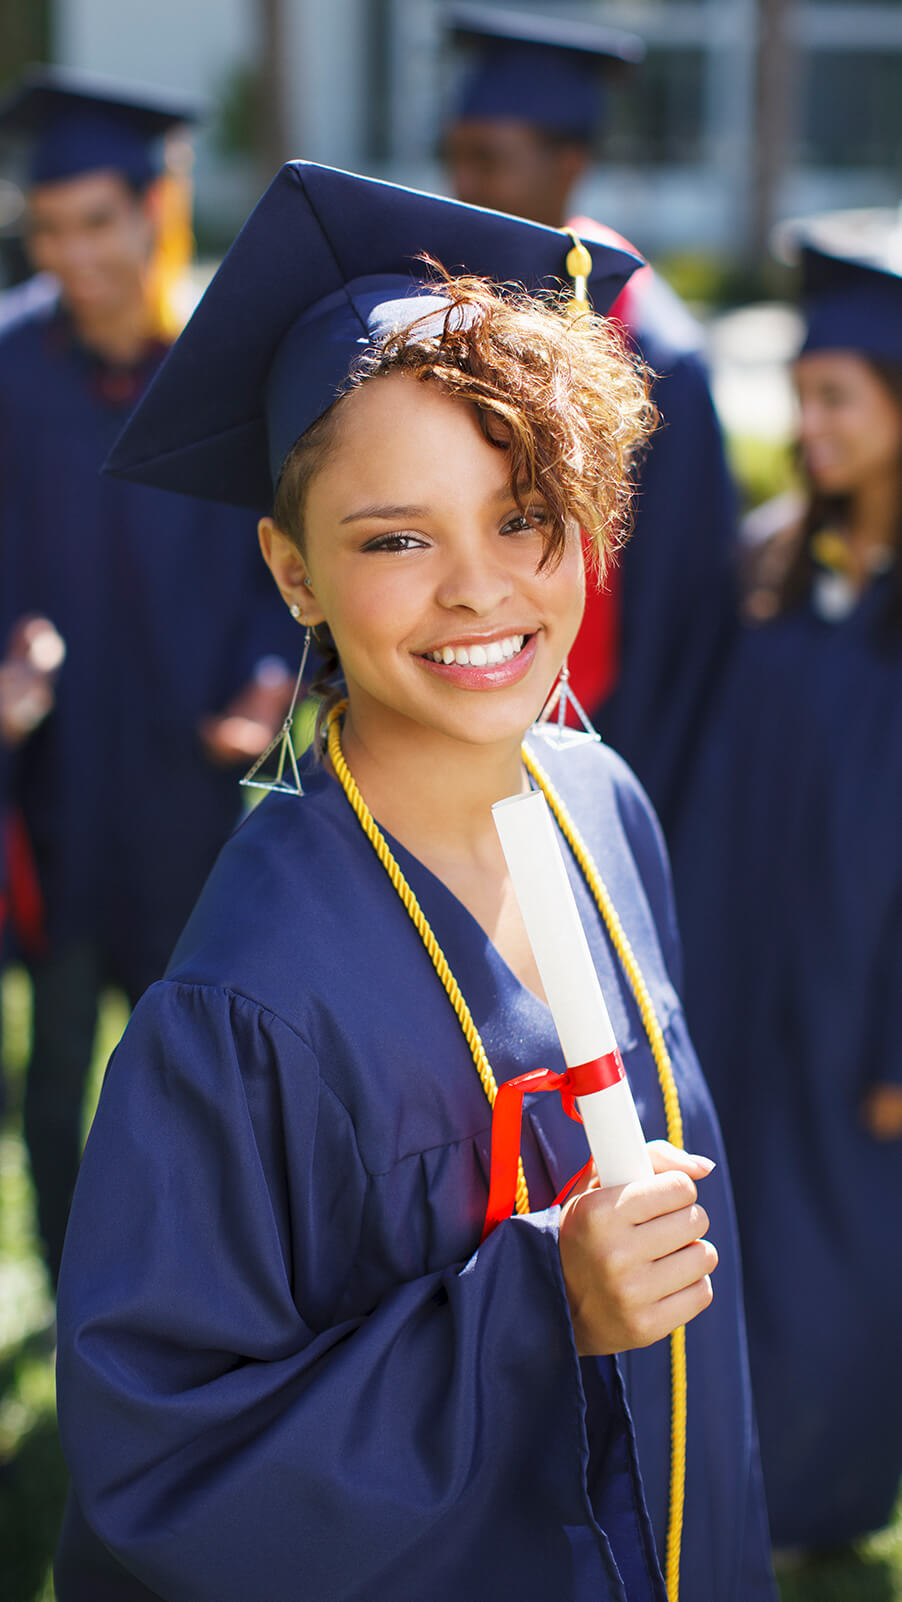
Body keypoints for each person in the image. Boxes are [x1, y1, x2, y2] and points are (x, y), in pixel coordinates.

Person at [54, 159, 776, 1602]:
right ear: (292, 570)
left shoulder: (601, 804)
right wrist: (535, 1304)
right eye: (395, 537)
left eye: (523, 513)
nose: (479, 588)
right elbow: (164, 1472)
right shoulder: (246, 1004)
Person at [0, 67, 298, 1286]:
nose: (74, 257)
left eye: (97, 224)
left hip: (191, 781)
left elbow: (274, 559)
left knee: (194, 1064)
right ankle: (76, 1300)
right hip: (63, 786)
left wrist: (271, 671)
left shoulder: (224, 368)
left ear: (155, 208)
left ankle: (195, 1294)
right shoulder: (10, 365)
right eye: (48, 229)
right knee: (58, 1060)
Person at [672, 223, 902, 1552]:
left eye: (835, 399)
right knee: (729, 1230)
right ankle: (723, 1481)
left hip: (858, 999)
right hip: (735, 964)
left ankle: (819, 1503)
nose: (804, 424)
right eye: (800, 394)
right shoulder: (767, 565)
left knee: (845, 1257)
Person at [442, 4, 738, 835]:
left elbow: (680, 611)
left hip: (609, 739)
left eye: (489, 161)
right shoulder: (467, 309)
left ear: (568, 164)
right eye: (458, 159)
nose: (465, 187)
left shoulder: (659, 355)